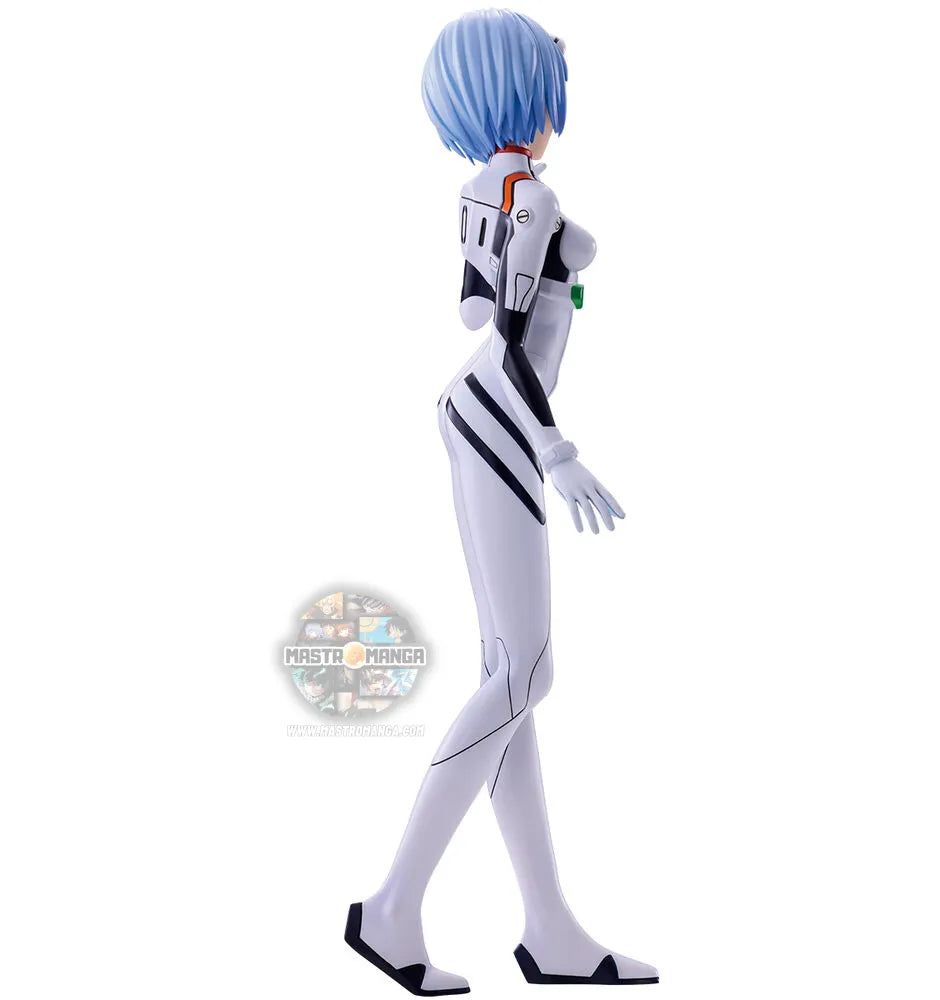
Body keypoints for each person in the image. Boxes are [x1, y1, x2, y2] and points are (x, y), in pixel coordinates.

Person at [345, 11, 656, 995]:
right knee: (524, 672)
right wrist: (558, 449)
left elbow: (475, 305)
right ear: (527, 91)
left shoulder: (493, 188)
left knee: (510, 674)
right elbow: (512, 338)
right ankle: (391, 907)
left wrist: (552, 256)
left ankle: (548, 929)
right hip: (501, 416)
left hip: (477, 408)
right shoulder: (531, 192)